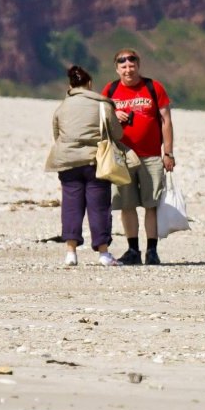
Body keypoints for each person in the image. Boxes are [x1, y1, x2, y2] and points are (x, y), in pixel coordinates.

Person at [44, 65, 123, 267]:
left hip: (68, 162)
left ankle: (71, 252)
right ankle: (103, 254)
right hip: (94, 161)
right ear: (89, 84)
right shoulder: (102, 105)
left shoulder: (62, 107)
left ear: (70, 85)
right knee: (99, 207)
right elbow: (117, 134)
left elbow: (57, 135)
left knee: (71, 206)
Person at [103, 48, 175, 265]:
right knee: (126, 205)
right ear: (117, 69)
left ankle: (152, 251)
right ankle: (133, 249)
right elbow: (101, 118)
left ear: (138, 66)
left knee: (151, 204)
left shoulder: (153, 87)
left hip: (151, 156)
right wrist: (113, 114)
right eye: (123, 66)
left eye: (132, 66)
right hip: (122, 157)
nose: (128, 70)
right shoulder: (111, 89)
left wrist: (168, 152)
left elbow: (166, 121)